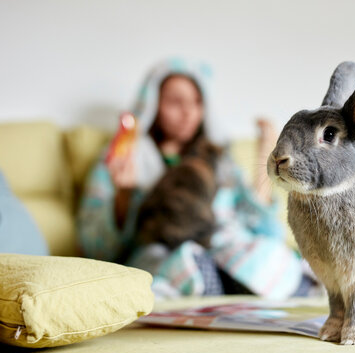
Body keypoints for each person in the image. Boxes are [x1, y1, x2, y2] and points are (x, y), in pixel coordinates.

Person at [78, 58, 314, 299]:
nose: (188, 112)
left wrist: (265, 159)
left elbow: (268, 231)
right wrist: (123, 196)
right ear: (152, 104)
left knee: (268, 255)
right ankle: (205, 280)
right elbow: (97, 249)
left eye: (197, 102)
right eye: (175, 102)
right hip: (163, 252)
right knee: (164, 267)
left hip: (223, 245)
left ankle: (231, 282)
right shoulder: (123, 157)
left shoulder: (221, 160)